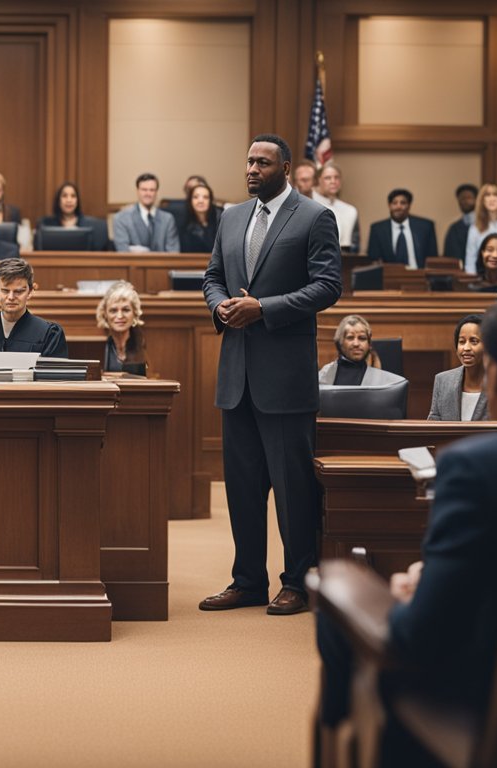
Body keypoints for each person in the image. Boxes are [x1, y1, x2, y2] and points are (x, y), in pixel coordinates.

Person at [317, 295, 497, 739]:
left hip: (496, 709)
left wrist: (414, 592)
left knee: (336, 598)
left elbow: (422, 633)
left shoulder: (474, 469)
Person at [200, 133, 342, 616]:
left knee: (291, 489)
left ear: (285, 168)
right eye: (248, 161)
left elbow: (328, 286)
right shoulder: (232, 216)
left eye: (262, 162)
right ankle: (248, 580)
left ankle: (298, 581)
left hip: (284, 379)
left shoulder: (314, 216)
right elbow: (212, 277)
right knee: (241, 489)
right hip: (236, 376)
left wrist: (265, 308)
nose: (251, 169)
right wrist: (222, 307)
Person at [428, 313, 488, 421]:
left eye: (474, 341)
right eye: (462, 342)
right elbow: (432, 428)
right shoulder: (443, 381)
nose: (466, 348)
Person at [317, 314, 404, 386]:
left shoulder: (383, 379)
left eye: (362, 338)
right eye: (350, 338)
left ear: (369, 344)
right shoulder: (324, 375)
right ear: (340, 342)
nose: (356, 344)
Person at [366, 188, 437, 268]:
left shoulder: (426, 227)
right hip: (389, 277)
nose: (398, 206)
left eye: (403, 203)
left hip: (419, 275)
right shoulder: (377, 230)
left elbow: (433, 258)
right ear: (389, 206)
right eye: (394, 203)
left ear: (409, 206)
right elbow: (373, 259)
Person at [113, 173, 180, 252]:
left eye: (152, 190)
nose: (148, 194)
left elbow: (173, 253)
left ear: (156, 192)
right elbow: (123, 251)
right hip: (133, 264)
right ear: (137, 191)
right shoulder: (122, 218)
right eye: (144, 190)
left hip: (163, 264)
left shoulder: (168, 219)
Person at [37, 181, 110, 251]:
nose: (69, 200)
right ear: (58, 200)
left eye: (73, 196)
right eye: (64, 196)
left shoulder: (93, 226)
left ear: (77, 201)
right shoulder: (46, 224)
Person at [96, 280, 149, 376]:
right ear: (105, 314)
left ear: (135, 313)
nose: (120, 316)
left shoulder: (144, 341)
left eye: (126, 310)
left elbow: (152, 377)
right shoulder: (98, 344)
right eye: (113, 310)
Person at [311, 162, 359, 253]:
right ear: (318, 180)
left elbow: (355, 245)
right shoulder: (310, 206)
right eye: (327, 178)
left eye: (336, 177)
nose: (333, 181)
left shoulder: (350, 210)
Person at [177, 182, 221, 253]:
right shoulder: (182, 222)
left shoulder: (220, 220)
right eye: (196, 197)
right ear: (190, 201)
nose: (200, 201)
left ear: (210, 201)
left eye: (205, 197)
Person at [442, 183, 477, 267]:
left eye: (469, 197)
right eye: (462, 198)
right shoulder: (454, 229)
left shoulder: (486, 225)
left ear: (476, 199)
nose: (465, 201)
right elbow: (449, 256)